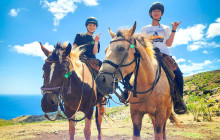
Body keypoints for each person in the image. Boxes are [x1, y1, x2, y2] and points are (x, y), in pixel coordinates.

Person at [141, 2, 187, 114]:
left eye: (158, 11)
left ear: (161, 14)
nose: (156, 13)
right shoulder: (145, 29)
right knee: (133, 68)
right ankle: (128, 94)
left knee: (179, 74)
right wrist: (131, 45)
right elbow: (140, 43)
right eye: (154, 11)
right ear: (150, 13)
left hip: (164, 55)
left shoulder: (166, 28)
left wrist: (174, 30)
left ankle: (178, 101)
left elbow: (169, 44)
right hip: (149, 55)